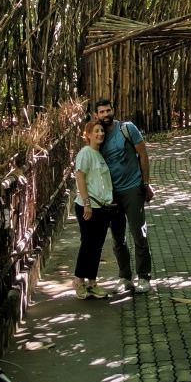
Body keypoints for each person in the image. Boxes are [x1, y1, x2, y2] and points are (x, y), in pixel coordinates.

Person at [93, 98, 154, 294]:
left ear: (113, 110)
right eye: (101, 112)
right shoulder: (98, 135)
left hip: (132, 189)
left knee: (139, 233)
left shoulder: (127, 129)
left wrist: (146, 183)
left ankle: (144, 277)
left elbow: (143, 155)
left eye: (108, 110)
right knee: (118, 238)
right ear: (96, 115)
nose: (106, 114)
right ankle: (125, 277)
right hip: (111, 194)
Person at [72, 119, 116, 299]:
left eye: (102, 131)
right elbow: (80, 177)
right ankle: (78, 281)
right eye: (96, 131)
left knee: (96, 246)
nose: (100, 134)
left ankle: (92, 282)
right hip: (88, 206)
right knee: (88, 244)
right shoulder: (85, 153)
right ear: (88, 134)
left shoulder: (99, 154)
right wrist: (87, 203)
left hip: (102, 207)